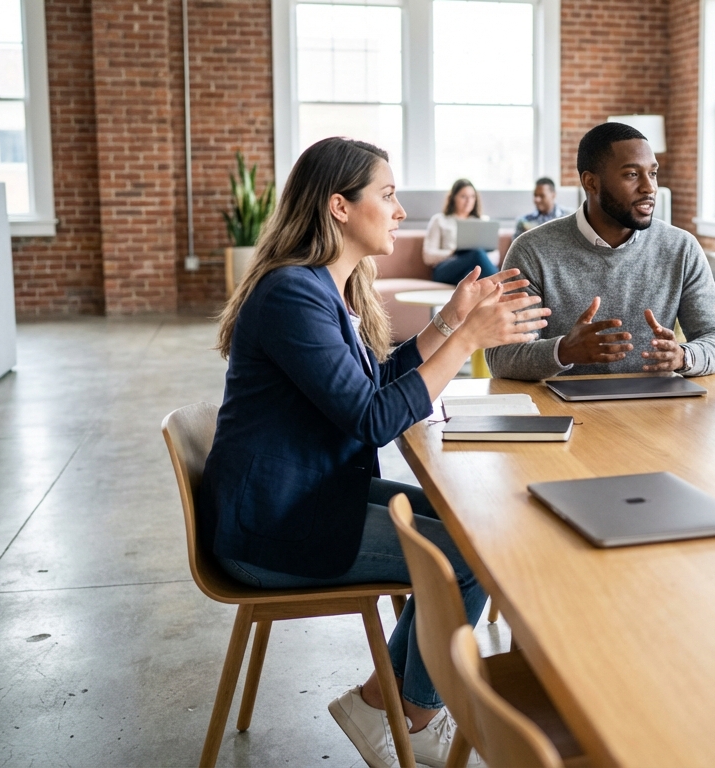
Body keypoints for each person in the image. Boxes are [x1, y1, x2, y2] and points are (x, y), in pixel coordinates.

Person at [202, 137, 549, 768]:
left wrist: (448, 321)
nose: (398, 212)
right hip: (271, 530)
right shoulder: (293, 295)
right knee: (470, 557)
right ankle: (413, 716)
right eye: (387, 196)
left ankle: (380, 705)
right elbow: (370, 420)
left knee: (471, 529)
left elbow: (372, 385)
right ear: (339, 206)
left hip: (307, 494)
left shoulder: (322, 287)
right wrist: (466, 336)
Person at [486, 122, 715, 380]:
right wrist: (563, 351)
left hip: (657, 409)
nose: (649, 187)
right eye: (631, 174)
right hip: (565, 414)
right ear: (591, 182)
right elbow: (502, 357)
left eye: (652, 173)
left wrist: (684, 357)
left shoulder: (681, 248)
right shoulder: (532, 251)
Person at [423, 178, 499, 284]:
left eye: (472, 197)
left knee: (473, 269)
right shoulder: (440, 220)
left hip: (472, 270)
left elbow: (495, 256)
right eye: (463, 196)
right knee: (476, 253)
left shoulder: (483, 221)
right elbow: (428, 257)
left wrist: (480, 256)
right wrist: (453, 253)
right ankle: (501, 284)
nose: (468, 201)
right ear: (453, 198)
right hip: (447, 268)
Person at [512, 176, 568, 240]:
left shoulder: (568, 217)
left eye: (542, 196)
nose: (537, 199)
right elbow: (516, 247)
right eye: (535, 195)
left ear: (553, 195)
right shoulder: (524, 221)